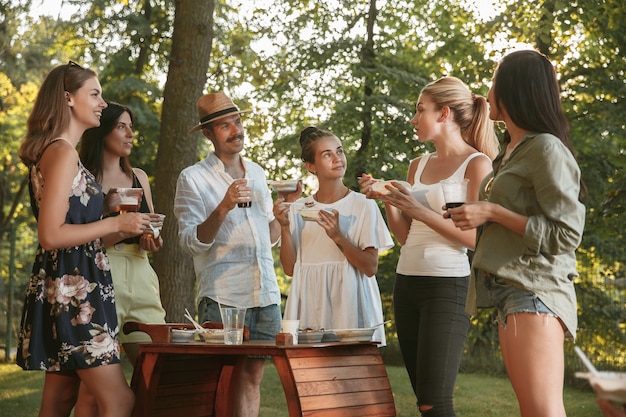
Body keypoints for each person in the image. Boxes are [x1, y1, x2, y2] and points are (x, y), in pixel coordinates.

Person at [447, 50, 586, 417]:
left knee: (542, 411)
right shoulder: (510, 153)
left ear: (513, 90)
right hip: (509, 289)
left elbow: (566, 234)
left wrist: (492, 210)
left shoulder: (546, 148)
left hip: (535, 290)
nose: (488, 92)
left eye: (494, 82)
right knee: (531, 410)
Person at [16, 61, 151, 417]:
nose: (103, 103)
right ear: (68, 99)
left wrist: (102, 204)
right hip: (76, 297)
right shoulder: (63, 152)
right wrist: (116, 226)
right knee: (120, 400)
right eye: (95, 94)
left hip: (70, 289)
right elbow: (51, 234)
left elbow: (64, 213)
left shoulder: (60, 152)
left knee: (60, 402)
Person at [359, 76, 499, 416]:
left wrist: (417, 208)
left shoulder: (477, 164)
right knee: (423, 399)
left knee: (434, 402)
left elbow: (473, 240)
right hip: (407, 284)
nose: (413, 118)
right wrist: (390, 200)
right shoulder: (417, 165)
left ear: (444, 113)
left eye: (420, 110)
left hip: (447, 287)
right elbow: (406, 235)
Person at [174, 91, 283, 417]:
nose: (235, 130)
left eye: (236, 121)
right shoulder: (193, 178)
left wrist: (283, 220)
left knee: (253, 377)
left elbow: (270, 236)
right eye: (224, 126)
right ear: (208, 134)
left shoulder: (259, 173)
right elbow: (190, 241)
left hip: (265, 294)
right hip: (223, 296)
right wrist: (224, 205)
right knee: (220, 379)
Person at [274, 126, 393, 345]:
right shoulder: (299, 207)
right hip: (309, 305)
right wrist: (284, 226)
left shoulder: (363, 204)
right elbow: (290, 269)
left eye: (339, 151)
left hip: (350, 304)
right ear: (311, 166)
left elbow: (370, 267)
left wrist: (338, 237)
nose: (337, 158)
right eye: (327, 154)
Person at [80, 101, 167, 366]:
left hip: (142, 274)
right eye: (121, 127)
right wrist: (120, 230)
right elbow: (79, 242)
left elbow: (152, 232)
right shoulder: (84, 179)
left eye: (131, 127)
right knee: (99, 378)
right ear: (102, 131)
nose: (130, 134)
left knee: (155, 367)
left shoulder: (139, 176)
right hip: (100, 273)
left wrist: (152, 239)